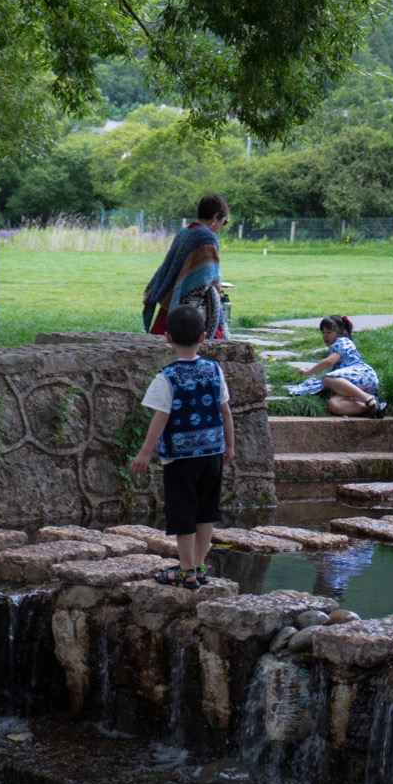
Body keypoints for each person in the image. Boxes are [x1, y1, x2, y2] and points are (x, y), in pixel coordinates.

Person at [128, 303, 235, 590]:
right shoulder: (214, 370)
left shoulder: (167, 377)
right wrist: (230, 445)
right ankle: (200, 567)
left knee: (183, 512)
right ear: (203, 337)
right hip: (212, 454)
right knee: (206, 511)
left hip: (179, 459)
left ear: (167, 338)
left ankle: (186, 571)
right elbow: (225, 411)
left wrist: (145, 451)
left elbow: (160, 416)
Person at [142, 193, 230, 340]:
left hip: (171, 296)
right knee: (208, 342)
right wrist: (218, 286)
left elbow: (170, 265)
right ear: (216, 217)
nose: (222, 225)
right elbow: (208, 280)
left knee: (161, 341)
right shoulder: (207, 238)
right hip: (191, 306)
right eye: (224, 221)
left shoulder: (186, 230)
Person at [286, 315, 385, 415]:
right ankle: (374, 408)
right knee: (334, 404)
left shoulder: (343, 341)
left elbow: (329, 362)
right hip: (353, 383)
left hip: (361, 374)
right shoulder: (337, 346)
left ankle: (369, 399)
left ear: (340, 333)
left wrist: (308, 372)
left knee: (327, 379)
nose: (325, 335)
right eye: (323, 332)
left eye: (329, 332)